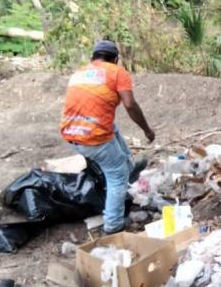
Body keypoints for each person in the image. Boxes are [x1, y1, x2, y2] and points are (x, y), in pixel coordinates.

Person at [59, 40, 155, 234]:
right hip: (93, 138)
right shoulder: (117, 72)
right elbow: (130, 104)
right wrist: (147, 130)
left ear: (93, 58)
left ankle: (129, 169)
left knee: (112, 130)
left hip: (71, 132)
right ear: (115, 59)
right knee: (117, 175)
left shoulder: (79, 73)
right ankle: (113, 225)